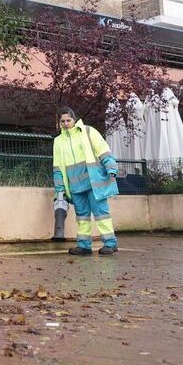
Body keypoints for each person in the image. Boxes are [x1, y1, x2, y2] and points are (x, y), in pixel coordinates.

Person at [52, 107, 119, 256]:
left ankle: (110, 243)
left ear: (74, 119)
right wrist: (60, 188)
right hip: (75, 187)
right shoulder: (58, 141)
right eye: (62, 121)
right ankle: (84, 246)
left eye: (68, 120)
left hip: (93, 183)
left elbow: (103, 150)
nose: (65, 123)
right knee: (82, 217)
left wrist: (111, 168)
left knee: (101, 214)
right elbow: (57, 167)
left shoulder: (88, 132)